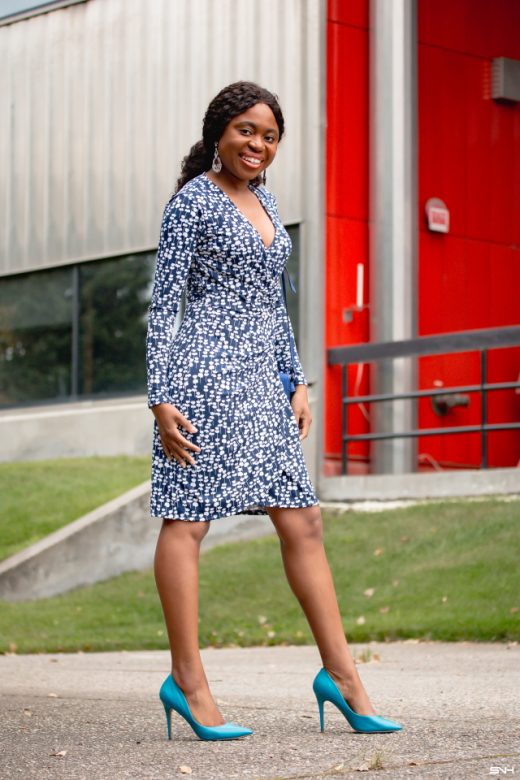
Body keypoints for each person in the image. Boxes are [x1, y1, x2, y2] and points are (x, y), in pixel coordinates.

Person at [146, 81, 403, 741]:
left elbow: (273, 301)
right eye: (246, 131)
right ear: (219, 133)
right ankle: (188, 683)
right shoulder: (192, 201)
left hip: (264, 384)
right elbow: (164, 302)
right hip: (202, 379)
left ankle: (344, 679)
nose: (257, 144)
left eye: (269, 135)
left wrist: (296, 379)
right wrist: (159, 395)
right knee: (188, 521)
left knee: (304, 520)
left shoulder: (264, 199)